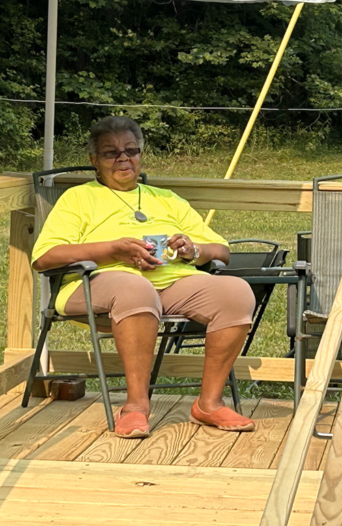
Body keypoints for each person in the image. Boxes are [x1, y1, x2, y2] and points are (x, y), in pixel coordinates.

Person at [32, 116, 256, 438]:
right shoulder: (78, 199)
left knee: (236, 292)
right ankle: (136, 407)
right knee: (135, 289)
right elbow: (45, 257)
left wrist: (193, 250)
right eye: (111, 153)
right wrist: (113, 249)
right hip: (96, 283)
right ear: (94, 161)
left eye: (131, 150)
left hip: (171, 282)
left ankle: (209, 403)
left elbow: (221, 250)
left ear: (141, 154)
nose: (123, 158)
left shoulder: (166, 199)